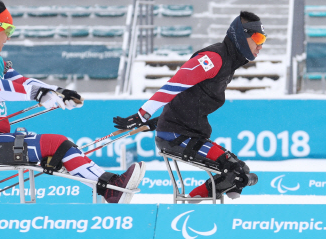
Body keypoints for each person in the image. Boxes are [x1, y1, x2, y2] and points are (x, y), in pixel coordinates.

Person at [0, 0, 144, 203]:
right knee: (57, 143)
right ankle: (111, 189)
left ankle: (111, 187)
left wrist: (58, 91)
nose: (8, 37)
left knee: (63, 145)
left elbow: (20, 81)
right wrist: (37, 94)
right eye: (8, 29)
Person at [114, 11, 265, 200]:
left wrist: (157, 120)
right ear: (241, 37)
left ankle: (211, 210)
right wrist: (142, 114)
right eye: (258, 38)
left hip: (187, 131)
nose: (260, 45)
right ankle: (189, 210)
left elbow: (190, 99)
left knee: (239, 174)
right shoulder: (213, 58)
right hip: (177, 135)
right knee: (235, 173)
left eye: (264, 39)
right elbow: (174, 85)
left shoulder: (228, 62)